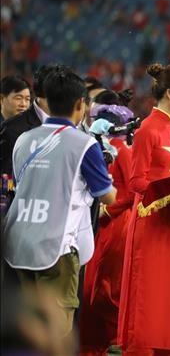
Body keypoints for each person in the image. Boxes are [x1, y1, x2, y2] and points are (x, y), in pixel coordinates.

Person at [3, 68, 116, 340]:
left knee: (25, 328)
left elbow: (20, 183)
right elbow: (108, 196)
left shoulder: (23, 139)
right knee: (57, 328)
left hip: (17, 242)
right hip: (57, 247)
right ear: (81, 105)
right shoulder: (84, 144)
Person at [117, 63, 170, 355]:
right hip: (151, 221)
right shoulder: (147, 129)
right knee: (147, 292)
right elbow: (137, 182)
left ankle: (168, 346)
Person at [80, 90, 135, 356]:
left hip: (115, 226)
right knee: (92, 285)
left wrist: (108, 210)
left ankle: (115, 336)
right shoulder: (100, 151)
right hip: (98, 225)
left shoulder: (123, 152)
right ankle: (94, 341)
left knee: (105, 287)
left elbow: (132, 192)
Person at [1, 64, 65, 176]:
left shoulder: (68, 123)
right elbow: (7, 177)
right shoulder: (11, 129)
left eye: (27, 99)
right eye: (18, 98)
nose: (23, 104)